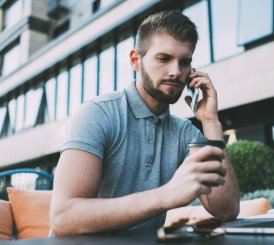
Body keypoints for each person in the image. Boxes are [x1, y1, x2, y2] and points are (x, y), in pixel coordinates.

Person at [50, 10, 240, 237]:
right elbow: (64, 218)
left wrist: (211, 122)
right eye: (164, 58)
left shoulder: (185, 133)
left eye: (185, 62)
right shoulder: (97, 114)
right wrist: (165, 195)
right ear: (135, 61)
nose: (176, 72)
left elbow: (226, 210)